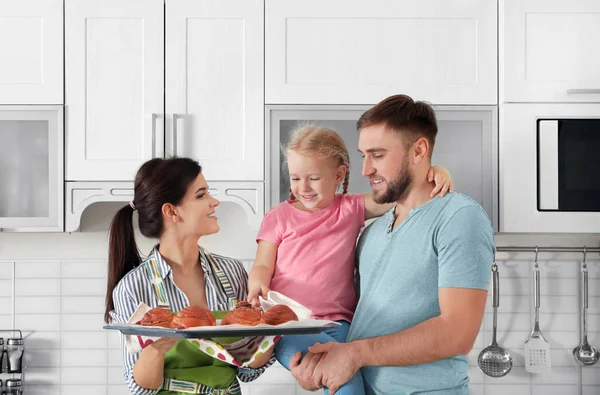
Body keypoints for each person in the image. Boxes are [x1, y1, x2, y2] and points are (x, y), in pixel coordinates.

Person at [289, 95, 495, 395]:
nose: (366, 170)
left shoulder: (459, 217)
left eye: (378, 155)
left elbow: (457, 333)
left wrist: (355, 354)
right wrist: (321, 368)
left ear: (419, 150)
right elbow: (357, 323)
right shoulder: (371, 233)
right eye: (363, 156)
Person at [246, 125, 454, 395]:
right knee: (346, 384)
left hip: (342, 325)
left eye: (314, 178)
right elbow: (263, 263)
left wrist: (435, 172)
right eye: (296, 178)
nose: (303, 188)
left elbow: (399, 195)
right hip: (290, 326)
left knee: (360, 380)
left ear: (339, 175)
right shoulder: (278, 217)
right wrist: (257, 284)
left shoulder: (350, 208)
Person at [105, 157, 275, 395]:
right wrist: (156, 349)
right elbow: (140, 389)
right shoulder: (133, 287)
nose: (214, 202)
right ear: (171, 211)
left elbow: (247, 372)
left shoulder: (232, 274)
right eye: (201, 195)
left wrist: (267, 333)